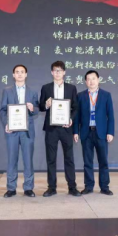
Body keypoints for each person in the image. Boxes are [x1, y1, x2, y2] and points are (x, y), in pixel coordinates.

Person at [39, 61, 81, 197]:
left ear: (64, 72)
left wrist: (71, 119)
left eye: (60, 70)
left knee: (69, 158)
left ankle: (72, 187)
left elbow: (75, 107)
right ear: (52, 72)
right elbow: (40, 106)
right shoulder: (46, 88)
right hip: (51, 129)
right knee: (51, 159)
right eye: (55, 70)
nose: (57, 73)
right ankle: (51, 187)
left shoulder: (71, 88)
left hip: (66, 128)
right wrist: (46, 104)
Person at [0, 64, 40, 198]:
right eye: (17, 72)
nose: (20, 74)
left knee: (28, 160)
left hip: (27, 131)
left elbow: (37, 110)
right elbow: (3, 110)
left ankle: (28, 188)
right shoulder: (7, 91)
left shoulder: (32, 92)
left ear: (26, 74)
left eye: (22, 72)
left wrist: (32, 108)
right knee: (12, 160)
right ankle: (11, 188)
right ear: (13, 75)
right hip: (12, 130)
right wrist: (6, 124)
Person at [74, 70, 115, 195]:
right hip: (86, 133)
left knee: (103, 161)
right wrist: (75, 132)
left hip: (101, 133)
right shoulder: (80, 96)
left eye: (93, 78)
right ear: (85, 82)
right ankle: (88, 186)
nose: (91, 81)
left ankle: (104, 186)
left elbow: (110, 116)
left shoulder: (106, 95)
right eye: (88, 79)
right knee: (87, 162)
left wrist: (110, 132)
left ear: (98, 80)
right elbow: (77, 116)